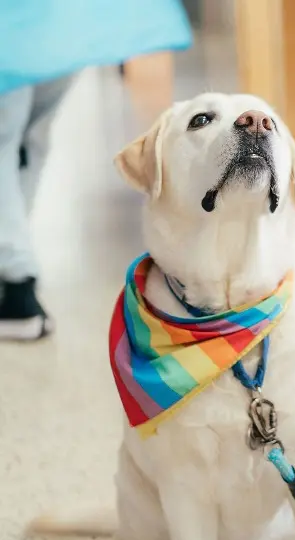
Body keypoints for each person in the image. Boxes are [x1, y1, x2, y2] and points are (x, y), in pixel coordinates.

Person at [0, 0, 192, 340]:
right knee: (28, 142)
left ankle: (16, 289)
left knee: (10, 143)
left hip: (16, 26)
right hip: (64, 23)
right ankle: (14, 274)